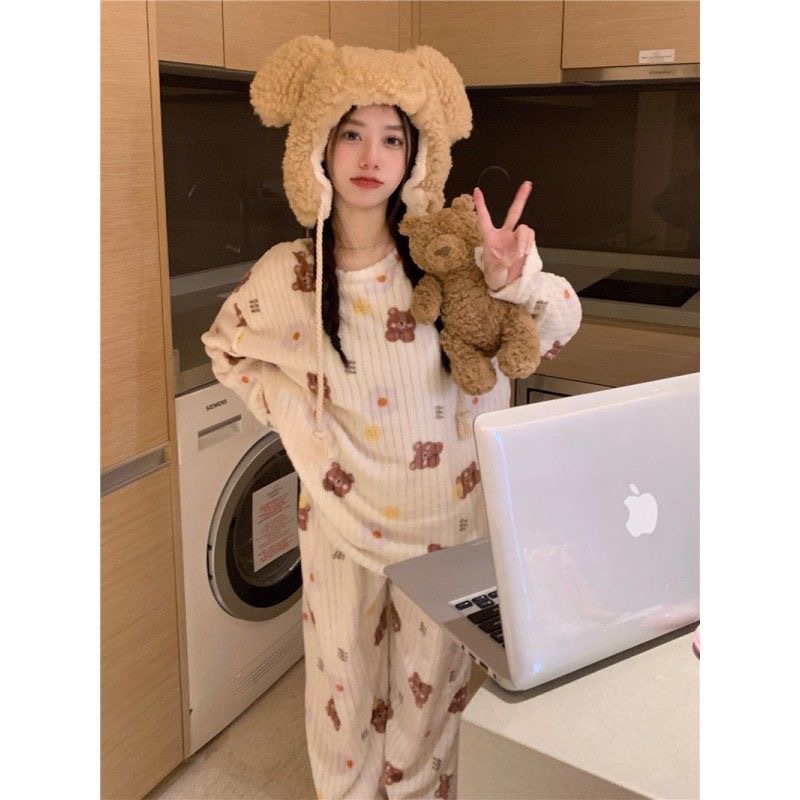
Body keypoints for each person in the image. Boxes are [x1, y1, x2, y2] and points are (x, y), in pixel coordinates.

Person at [201, 36, 582, 800]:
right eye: (352, 132)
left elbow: (561, 325)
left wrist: (515, 281)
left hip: (448, 533)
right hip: (340, 528)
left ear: (417, 154)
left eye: (392, 138)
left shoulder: (455, 258)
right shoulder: (288, 276)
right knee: (340, 707)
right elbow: (225, 347)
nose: (371, 155)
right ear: (318, 144)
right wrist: (301, 426)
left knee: (428, 710)